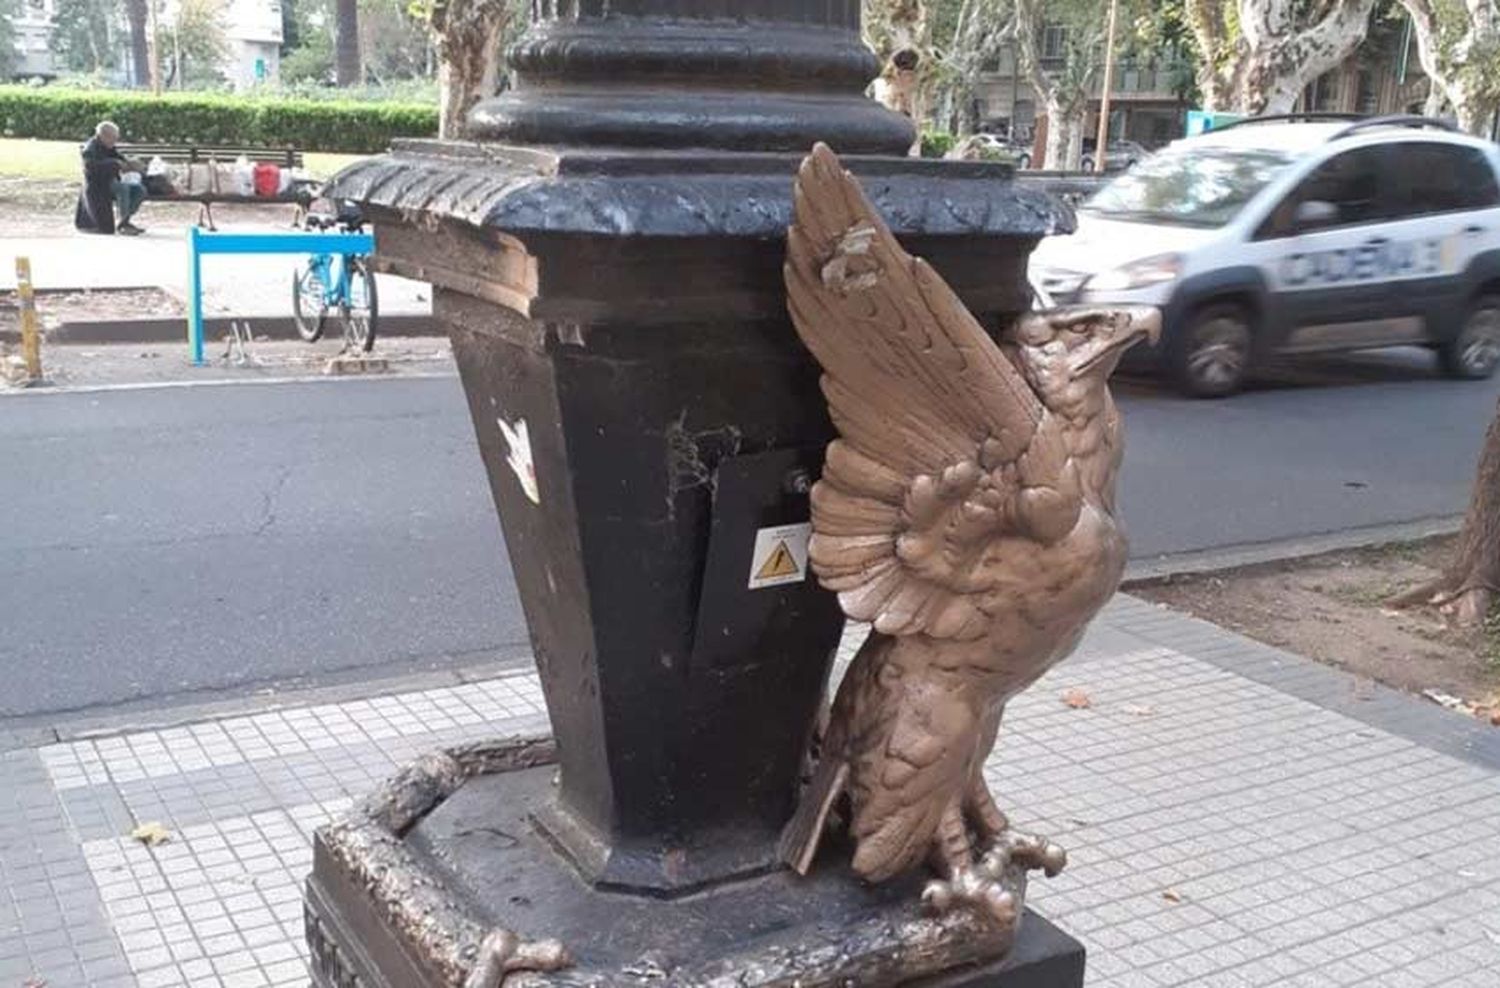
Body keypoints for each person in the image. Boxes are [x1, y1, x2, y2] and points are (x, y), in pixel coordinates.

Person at [74, 121, 146, 236]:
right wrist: (115, 164)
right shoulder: (90, 148)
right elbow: (90, 167)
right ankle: (123, 225)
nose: (114, 142)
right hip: (98, 184)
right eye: (113, 138)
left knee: (139, 190)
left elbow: (118, 157)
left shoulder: (108, 146)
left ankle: (125, 220)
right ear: (103, 136)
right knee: (123, 189)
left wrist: (130, 163)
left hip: (111, 181)